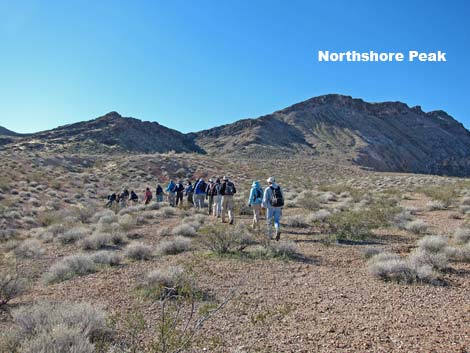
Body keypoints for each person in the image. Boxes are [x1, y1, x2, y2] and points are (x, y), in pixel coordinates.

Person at [262, 177, 284, 241]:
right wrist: (281, 206)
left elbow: (265, 199)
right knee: (276, 221)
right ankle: (277, 229)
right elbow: (282, 197)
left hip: (270, 207)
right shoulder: (279, 188)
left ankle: (269, 235)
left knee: (269, 221)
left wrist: (264, 206)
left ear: (269, 182)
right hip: (278, 207)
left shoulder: (268, 189)